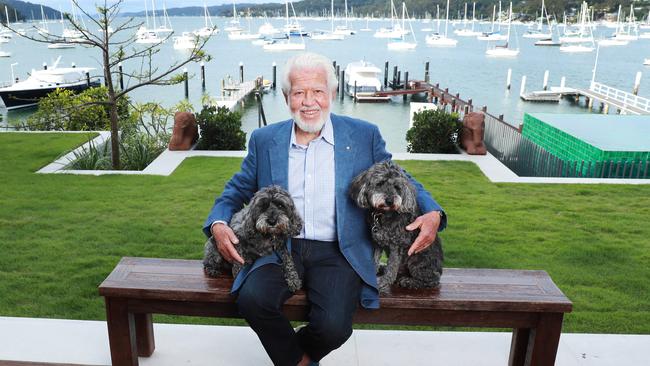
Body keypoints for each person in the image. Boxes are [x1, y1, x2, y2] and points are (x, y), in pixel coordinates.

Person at [203, 52, 447, 366]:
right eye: (299, 92)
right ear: (286, 96)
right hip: (281, 247)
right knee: (252, 300)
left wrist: (433, 212)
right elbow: (236, 189)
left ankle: (293, 355)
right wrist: (217, 224)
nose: (309, 101)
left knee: (333, 327)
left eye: (317, 91)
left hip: (339, 249)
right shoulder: (264, 140)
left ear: (332, 94)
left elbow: (401, 176)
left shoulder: (363, 135)